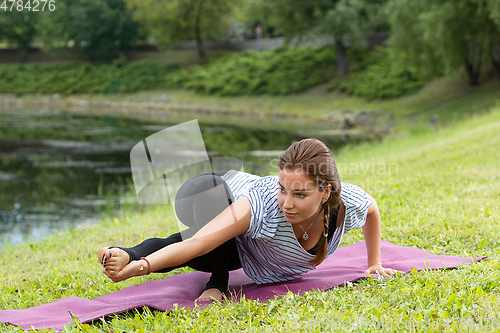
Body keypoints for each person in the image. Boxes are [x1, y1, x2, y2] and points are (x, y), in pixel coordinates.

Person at [98, 138, 398, 302]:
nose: (287, 203)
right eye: (282, 189)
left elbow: (371, 210)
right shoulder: (263, 205)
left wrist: (374, 263)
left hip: (242, 244)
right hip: (206, 192)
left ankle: (127, 251)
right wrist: (139, 269)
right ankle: (217, 282)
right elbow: (201, 242)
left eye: (299, 194)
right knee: (205, 238)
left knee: (206, 250)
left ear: (325, 192)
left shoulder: (345, 203)